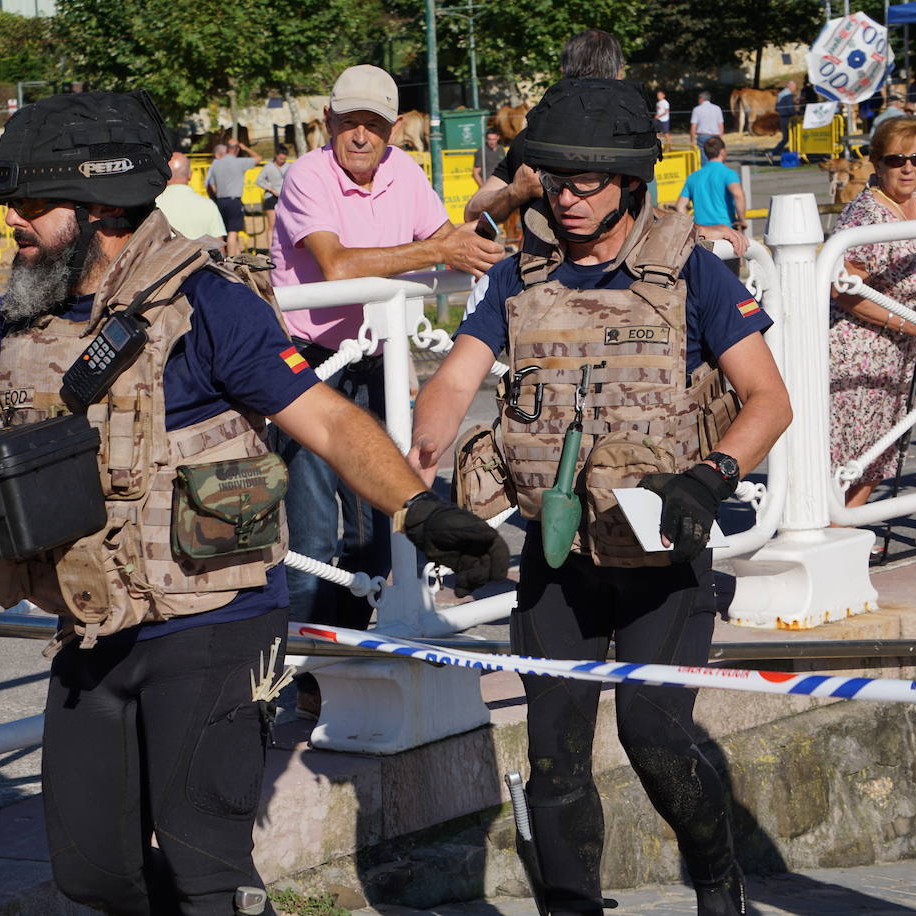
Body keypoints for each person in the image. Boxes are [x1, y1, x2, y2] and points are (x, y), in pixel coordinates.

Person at [0, 88, 509, 916]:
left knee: (202, 873)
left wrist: (420, 511)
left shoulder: (210, 302)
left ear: (100, 208)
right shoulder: (24, 311)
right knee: (91, 874)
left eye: (32, 206)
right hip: (96, 620)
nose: (14, 225)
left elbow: (325, 418)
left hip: (212, 623)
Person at [410, 78, 791, 916]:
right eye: (553, 180)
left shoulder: (693, 274)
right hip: (558, 560)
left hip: (663, 557)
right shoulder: (517, 280)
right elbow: (451, 385)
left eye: (587, 183)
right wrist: (420, 486)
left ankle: (718, 879)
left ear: (628, 182)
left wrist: (709, 476)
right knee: (553, 755)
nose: (569, 199)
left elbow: (770, 401)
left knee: (654, 741)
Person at [270, 62, 503, 716]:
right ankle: (305, 671)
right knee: (314, 530)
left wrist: (473, 236)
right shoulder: (307, 175)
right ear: (329, 124)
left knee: (381, 518)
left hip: (374, 356)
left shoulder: (406, 172)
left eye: (374, 125)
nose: (362, 136)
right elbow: (337, 263)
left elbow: (444, 240)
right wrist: (437, 252)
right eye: (350, 123)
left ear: (395, 128)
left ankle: (359, 648)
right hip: (309, 363)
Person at [827, 116, 916, 543]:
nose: (908, 168)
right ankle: (835, 533)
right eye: (896, 159)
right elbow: (843, 288)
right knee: (855, 446)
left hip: (905, 342)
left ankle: (843, 532)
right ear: (877, 162)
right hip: (860, 341)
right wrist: (905, 320)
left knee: (884, 444)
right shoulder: (866, 211)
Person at [463, 29, 625, 225]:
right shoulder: (634, 139)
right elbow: (472, 212)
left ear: (563, 72)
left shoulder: (531, 140)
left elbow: (473, 213)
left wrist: (514, 192)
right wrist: (516, 190)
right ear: (619, 73)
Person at [677, 136, 748, 266]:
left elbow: (680, 207)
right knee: (729, 279)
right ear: (722, 152)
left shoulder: (693, 177)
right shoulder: (728, 174)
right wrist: (742, 219)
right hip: (725, 234)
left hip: (702, 236)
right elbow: (738, 194)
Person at [205, 137, 262, 255]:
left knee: (225, 231)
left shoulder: (216, 163)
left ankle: (235, 256)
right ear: (236, 149)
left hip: (220, 200)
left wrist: (216, 195)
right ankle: (231, 260)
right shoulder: (239, 162)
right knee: (233, 232)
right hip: (234, 200)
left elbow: (211, 183)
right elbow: (258, 158)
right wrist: (245, 147)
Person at [156, 150, 226, 239]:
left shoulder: (154, 205)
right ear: (190, 175)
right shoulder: (208, 205)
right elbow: (219, 246)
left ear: (164, 174)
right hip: (201, 252)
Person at [254, 144, 291, 250]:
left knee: (286, 224)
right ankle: (271, 248)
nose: (282, 161)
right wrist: (271, 189)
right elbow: (259, 180)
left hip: (285, 197)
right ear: (276, 155)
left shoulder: (289, 166)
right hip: (271, 197)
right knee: (272, 225)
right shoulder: (268, 167)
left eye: (284, 159)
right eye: (280, 158)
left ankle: (286, 248)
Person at [690, 91, 725, 164]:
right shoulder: (717, 108)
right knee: (716, 157)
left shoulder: (697, 109)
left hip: (702, 136)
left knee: (703, 158)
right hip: (715, 136)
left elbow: (693, 126)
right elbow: (721, 125)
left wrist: (692, 140)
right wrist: (720, 137)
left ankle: (706, 171)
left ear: (701, 99)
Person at [771, 79, 799, 159]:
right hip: (788, 119)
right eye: (794, 87)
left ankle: (772, 153)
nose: (795, 89)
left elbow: (776, 108)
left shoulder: (780, 94)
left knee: (786, 138)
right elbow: (790, 109)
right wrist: (796, 113)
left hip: (782, 118)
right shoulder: (788, 95)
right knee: (793, 136)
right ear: (790, 86)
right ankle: (795, 154)